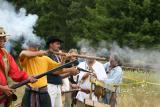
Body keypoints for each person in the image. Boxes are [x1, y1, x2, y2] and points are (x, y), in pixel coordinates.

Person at [19, 40, 78, 107]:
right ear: (28, 48)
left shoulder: (45, 58)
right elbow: (23, 53)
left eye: (37, 47)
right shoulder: (25, 57)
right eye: (33, 47)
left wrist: (64, 59)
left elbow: (58, 68)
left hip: (43, 91)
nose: (36, 48)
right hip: (30, 90)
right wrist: (40, 53)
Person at [0, 27, 35, 107]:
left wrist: (27, 77)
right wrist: (1, 88)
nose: (5, 40)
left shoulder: (5, 53)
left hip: (3, 97)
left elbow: (15, 72)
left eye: (4, 38)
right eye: (1, 38)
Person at [46, 36, 79, 107]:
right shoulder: (48, 55)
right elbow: (54, 71)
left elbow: (60, 75)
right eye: (57, 44)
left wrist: (70, 72)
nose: (59, 46)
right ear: (51, 45)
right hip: (50, 86)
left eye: (59, 44)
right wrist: (70, 69)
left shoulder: (56, 55)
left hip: (57, 86)